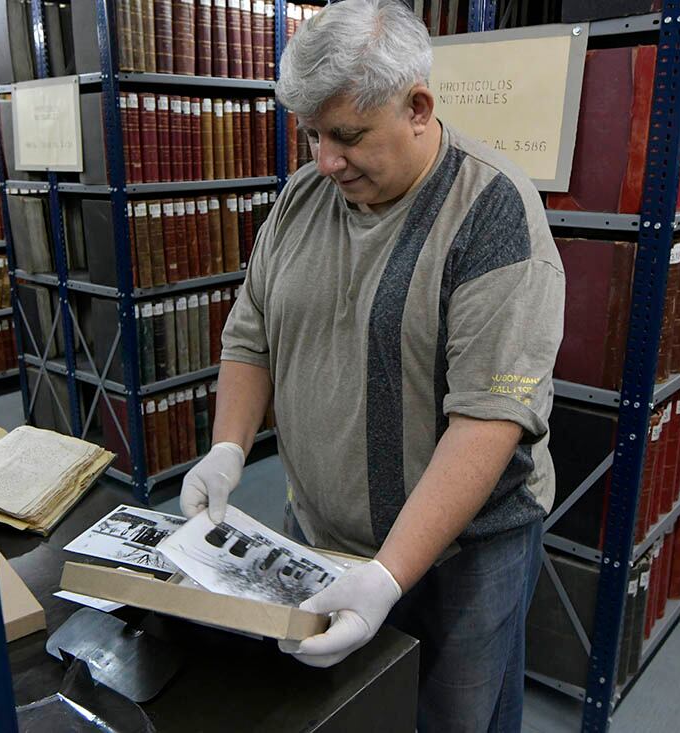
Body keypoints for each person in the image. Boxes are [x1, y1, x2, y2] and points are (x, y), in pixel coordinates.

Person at [179, 0, 565, 729]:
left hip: (463, 554)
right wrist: (228, 449)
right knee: (345, 711)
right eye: (313, 135)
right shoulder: (304, 197)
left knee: (458, 715)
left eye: (348, 135)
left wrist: (387, 574)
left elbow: (488, 419)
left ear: (418, 106)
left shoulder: (493, 215)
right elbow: (250, 333)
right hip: (318, 531)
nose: (326, 160)